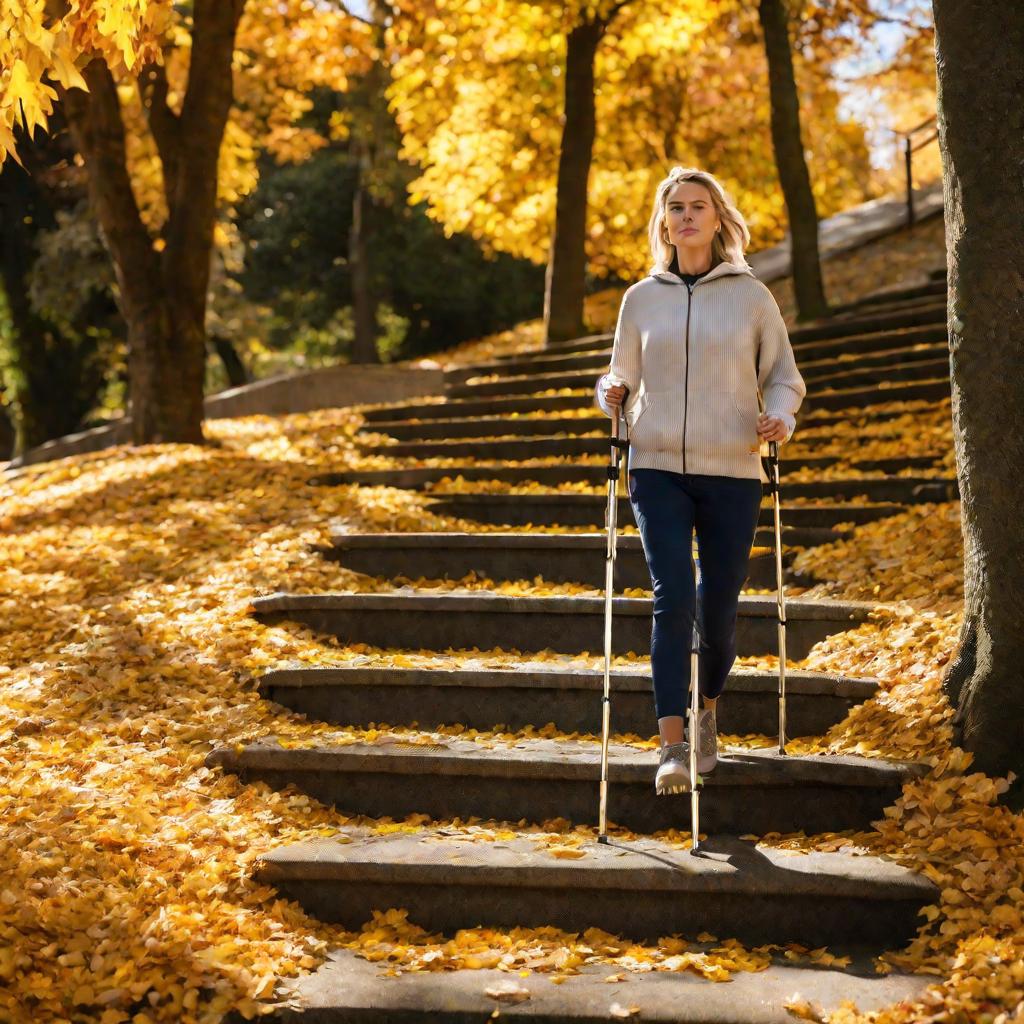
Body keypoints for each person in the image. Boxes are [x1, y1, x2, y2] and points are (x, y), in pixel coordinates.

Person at [595, 166, 806, 796]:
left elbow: (784, 376)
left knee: (717, 611)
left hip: (733, 468)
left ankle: (707, 706)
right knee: (673, 599)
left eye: (699, 207)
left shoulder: (751, 297)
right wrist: (607, 391)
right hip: (655, 463)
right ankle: (671, 745)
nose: (687, 216)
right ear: (664, 222)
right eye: (676, 207)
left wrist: (782, 416)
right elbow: (619, 374)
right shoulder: (641, 298)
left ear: (718, 219)